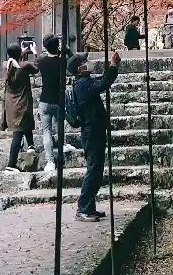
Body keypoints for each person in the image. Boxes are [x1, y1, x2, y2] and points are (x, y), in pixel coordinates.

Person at [67, 50, 120, 222]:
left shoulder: (85, 82)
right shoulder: (82, 85)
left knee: (96, 170)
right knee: (93, 170)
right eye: (85, 62)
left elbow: (102, 81)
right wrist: (113, 65)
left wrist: (112, 67)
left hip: (95, 129)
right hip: (91, 131)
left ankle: (89, 207)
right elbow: (103, 83)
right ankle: (83, 208)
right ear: (79, 68)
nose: (88, 63)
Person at [35, 34, 69, 174]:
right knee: (59, 125)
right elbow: (74, 62)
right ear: (58, 46)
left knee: (46, 131)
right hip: (58, 99)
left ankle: (50, 161)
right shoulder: (62, 62)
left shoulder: (41, 62)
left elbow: (37, 62)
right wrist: (66, 50)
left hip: (44, 100)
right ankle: (63, 144)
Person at [2, 44, 39, 172]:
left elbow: (14, 63)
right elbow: (36, 69)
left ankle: (31, 145)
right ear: (19, 54)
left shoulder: (6, 65)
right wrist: (34, 52)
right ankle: (10, 165)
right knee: (18, 133)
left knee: (24, 123)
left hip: (11, 104)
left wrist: (19, 54)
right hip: (22, 102)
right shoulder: (25, 66)